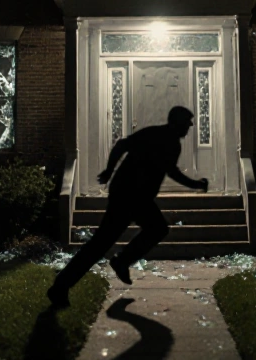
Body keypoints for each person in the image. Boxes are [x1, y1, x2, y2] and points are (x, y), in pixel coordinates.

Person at [47, 106, 207, 307]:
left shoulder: (171, 143)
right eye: (188, 122)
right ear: (177, 121)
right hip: (127, 196)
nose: (190, 125)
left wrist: (195, 184)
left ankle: (115, 264)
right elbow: (122, 145)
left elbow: (170, 170)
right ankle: (64, 285)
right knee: (105, 243)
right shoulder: (155, 135)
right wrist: (109, 170)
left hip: (138, 198)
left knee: (151, 230)